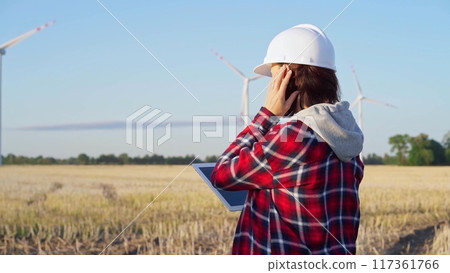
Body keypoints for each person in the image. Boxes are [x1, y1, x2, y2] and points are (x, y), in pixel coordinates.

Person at [210, 24, 364, 255]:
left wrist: (267, 115)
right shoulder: (346, 130)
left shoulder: (294, 138)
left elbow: (222, 174)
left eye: (273, 79)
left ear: (286, 78)